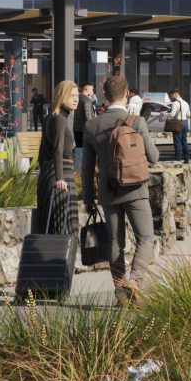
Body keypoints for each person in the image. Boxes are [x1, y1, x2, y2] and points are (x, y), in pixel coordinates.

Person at [77, 74, 158, 303]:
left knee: (115, 243)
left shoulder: (92, 126)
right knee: (146, 237)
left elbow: (86, 169)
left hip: (108, 191)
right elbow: (154, 157)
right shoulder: (137, 122)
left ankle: (121, 290)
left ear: (104, 96)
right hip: (136, 190)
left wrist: (88, 199)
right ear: (127, 93)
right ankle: (135, 281)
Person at [32, 79, 79, 236]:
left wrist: (46, 174)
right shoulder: (59, 119)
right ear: (62, 96)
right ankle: (62, 261)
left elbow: (41, 153)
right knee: (64, 227)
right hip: (62, 175)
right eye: (72, 95)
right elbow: (58, 150)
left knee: (50, 225)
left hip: (48, 175)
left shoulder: (50, 118)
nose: (76, 99)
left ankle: (53, 261)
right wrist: (59, 177)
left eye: (77, 95)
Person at [167, 89, 191, 163]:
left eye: (171, 96)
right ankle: (186, 159)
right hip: (185, 123)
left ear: (175, 94)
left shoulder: (175, 103)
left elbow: (172, 115)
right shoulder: (185, 103)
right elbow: (188, 114)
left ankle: (178, 159)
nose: (170, 97)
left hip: (178, 123)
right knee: (184, 141)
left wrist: (164, 114)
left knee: (177, 142)